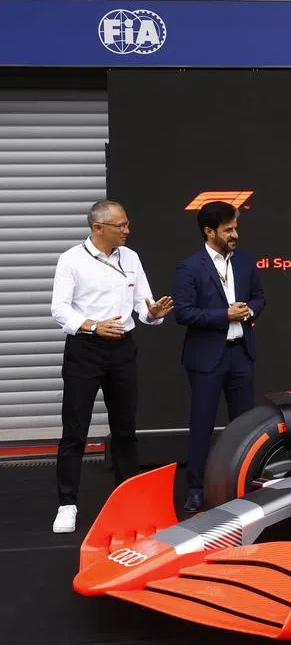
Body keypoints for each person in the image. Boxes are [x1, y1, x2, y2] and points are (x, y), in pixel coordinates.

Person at [49, 200, 173, 533]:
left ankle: (127, 500)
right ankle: (67, 505)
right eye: (121, 225)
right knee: (75, 430)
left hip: (123, 349)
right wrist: (93, 326)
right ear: (98, 228)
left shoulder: (130, 258)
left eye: (127, 224)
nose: (127, 230)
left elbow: (143, 307)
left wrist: (153, 314)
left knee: (125, 430)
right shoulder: (72, 259)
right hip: (85, 348)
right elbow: (59, 309)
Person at [172, 201, 266, 511]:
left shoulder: (245, 261)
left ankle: (245, 483)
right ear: (209, 232)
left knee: (245, 426)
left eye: (235, 228)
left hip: (241, 354)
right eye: (228, 230)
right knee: (201, 425)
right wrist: (224, 314)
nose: (235, 234)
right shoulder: (190, 267)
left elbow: (259, 298)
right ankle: (196, 489)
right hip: (206, 359)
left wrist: (249, 310)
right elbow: (184, 313)